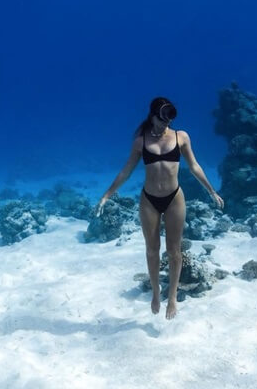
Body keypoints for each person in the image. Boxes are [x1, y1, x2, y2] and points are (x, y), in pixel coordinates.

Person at [95, 96, 224, 320]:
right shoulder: (140, 141)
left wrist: (211, 191)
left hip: (175, 198)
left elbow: (194, 166)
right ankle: (156, 292)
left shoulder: (180, 136)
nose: (165, 124)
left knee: (174, 251)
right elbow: (126, 171)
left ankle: (172, 296)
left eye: (168, 120)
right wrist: (107, 195)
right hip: (149, 200)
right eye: (162, 119)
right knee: (152, 249)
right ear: (152, 116)